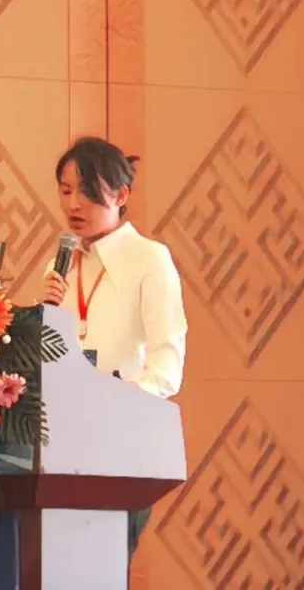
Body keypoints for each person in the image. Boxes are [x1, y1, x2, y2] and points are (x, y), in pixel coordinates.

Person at [41, 136, 188, 564]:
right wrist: (42, 314)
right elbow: (49, 363)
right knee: (57, 570)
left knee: (101, 566)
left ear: (121, 195)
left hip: (123, 447)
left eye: (88, 191)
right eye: (66, 190)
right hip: (61, 449)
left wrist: (117, 404)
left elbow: (167, 365)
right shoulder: (60, 265)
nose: (74, 204)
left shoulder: (149, 259)